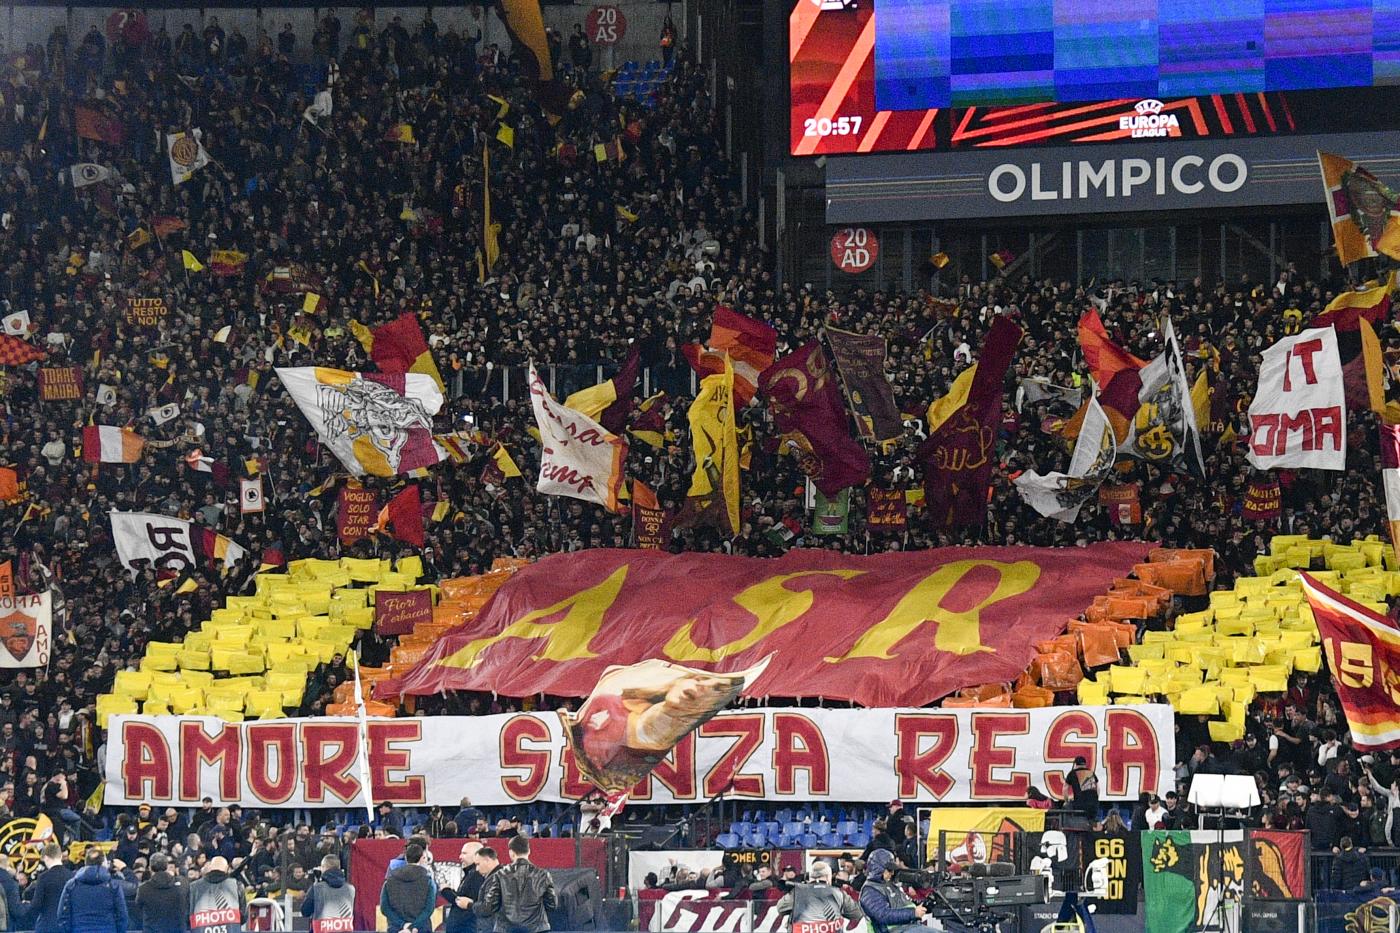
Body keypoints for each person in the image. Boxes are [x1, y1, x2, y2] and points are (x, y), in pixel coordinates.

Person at [476, 835, 556, 933]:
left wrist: (472, 905)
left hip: (506, 929)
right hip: (536, 929)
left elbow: (489, 907)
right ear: (529, 851)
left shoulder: (500, 875)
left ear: (511, 853)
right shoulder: (543, 875)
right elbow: (552, 904)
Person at [57, 848, 128, 933]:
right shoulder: (113, 886)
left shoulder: (71, 885)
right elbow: (122, 916)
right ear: (103, 863)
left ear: (86, 863)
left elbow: (62, 915)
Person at [774, 862, 862, 927]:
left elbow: (781, 908)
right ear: (828, 877)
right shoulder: (839, 893)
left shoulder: (797, 892)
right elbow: (857, 913)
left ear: (810, 876)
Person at [857, 850, 925, 933]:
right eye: (889, 870)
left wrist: (924, 905)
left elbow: (904, 903)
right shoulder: (870, 891)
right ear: (878, 869)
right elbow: (882, 915)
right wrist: (912, 913)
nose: (892, 873)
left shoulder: (890, 885)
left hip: (907, 928)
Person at [381, 842, 436, 933]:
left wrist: (402, 925)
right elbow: (429, 909)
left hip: (396, 928)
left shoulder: (390, 880)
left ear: (406, 858)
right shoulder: (428, 881)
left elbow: (384, 907)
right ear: (422, 858)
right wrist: (412, 927)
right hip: (421, 929)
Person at [185, 856, 245, 933]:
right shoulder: (236, 885)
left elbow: (187, 917)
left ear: (210, 868)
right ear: (227, 868)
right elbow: (243, 917)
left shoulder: (193, 887)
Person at [24, 842, 73, 933]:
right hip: (67, 926)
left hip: (47, 925)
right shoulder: (71, 876)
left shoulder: (43, 877)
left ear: (46, 857)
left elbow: (36, 904)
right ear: (60, 856)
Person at [301, 855, 355, 933]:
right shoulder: (350, 889)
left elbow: (305, 911)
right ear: (339, 867)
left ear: (324, 867)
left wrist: (317, 881)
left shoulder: (317, 888)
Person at [442, 842, 486, 933]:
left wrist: (446, 891)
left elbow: (465, 903)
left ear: (476, 855)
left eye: (464, 853)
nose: (460, 857)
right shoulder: (470, 874)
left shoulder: (477, 875)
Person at [133, 853, 183, 933]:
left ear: (150, 868)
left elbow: (138, 908)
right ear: (166, 866)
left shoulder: (143, 889)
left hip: (151, 929)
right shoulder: (179, 886)